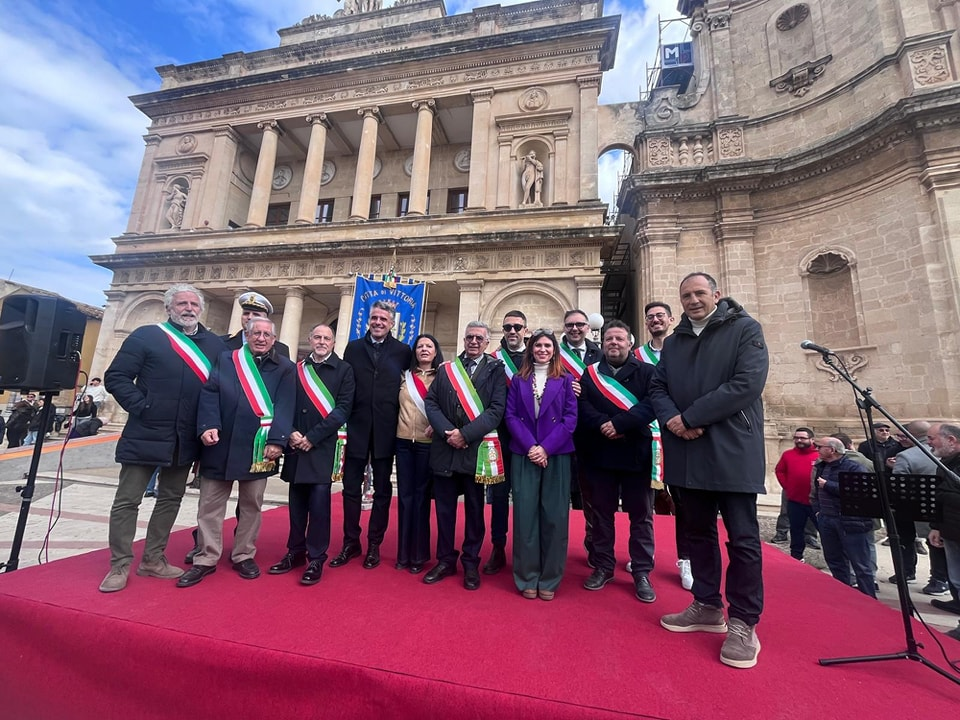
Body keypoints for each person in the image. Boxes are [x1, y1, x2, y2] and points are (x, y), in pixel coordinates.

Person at [652, 272, 769, 670]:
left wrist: (690, 417)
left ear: (716, 294)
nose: (693, 300)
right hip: (687, 452)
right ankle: (706, 604)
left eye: (700, 293)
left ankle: (743, 622)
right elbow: (658, 388)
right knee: (697, 534)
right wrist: (674, 421)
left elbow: (747, 383)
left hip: (731, 449)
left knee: (743, 540)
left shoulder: (745, 329)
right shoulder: (675, 341)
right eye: (686, 295)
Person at [100, 283, 227, 593]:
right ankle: (119, 565)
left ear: (201, 309)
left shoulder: (214, 345)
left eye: (194, 304)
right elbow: (116, 377)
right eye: (182, 304)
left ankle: (153, 559)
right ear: (169, 307)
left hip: (186, 438)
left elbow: (219, 390)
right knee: (128, 500)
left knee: (170, 498)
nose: (188, 309)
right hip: (146, 432)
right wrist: (142, 406)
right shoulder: (147, 336)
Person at [178, 317, 296, 587]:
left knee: (251, 505)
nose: (261, 338)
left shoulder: (285, 367)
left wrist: (277, 441)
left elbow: (285, 405)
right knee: (210, 505)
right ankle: (206, 557)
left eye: (267, 334)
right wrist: (208, 425)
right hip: (220, 443)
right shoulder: (227, 359)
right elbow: (210, 393)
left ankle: (243, 554)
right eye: (256, 333)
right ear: (247, 335)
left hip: (259, 448)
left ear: (274, 339)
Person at [267, 324, 355, 586]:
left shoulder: (344, 370)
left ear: (333, 343)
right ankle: (295, 551)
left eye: (327, 338)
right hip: (296, 445)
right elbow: (284, 404)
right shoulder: (297, 369)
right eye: (317, 337)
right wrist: (291, 432)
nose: (322, 341)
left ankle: (316, 557)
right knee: (296, 504)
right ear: (309, 340)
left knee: (318, 507)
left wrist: (312, 437)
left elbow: (343, 409)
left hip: (322, 446)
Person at [577, 320, 658, 602]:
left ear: (630, 343)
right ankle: (603, 565)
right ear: (603, 344)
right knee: (601, 515)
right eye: (609, 339)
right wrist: (604, 424)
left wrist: (620, 424)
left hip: (636, 454)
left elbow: (652, 404)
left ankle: (642, 571)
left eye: (619, 339)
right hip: (600, 453)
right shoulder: (590, 374)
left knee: (641, 516)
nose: (613, 343)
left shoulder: (647, 372)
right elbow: (583, 405)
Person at [423, 321, 506, 590]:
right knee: (444, 510)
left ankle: (471, 562)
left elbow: (496, 410)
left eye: (479, 338)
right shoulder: (447, 370)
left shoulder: (495, 370)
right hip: (445, 448)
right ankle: (445, 560)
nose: (474, 341)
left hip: (475, 450)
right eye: (470, 337)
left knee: (474, 510)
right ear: (464, 339)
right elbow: (431, 402)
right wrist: (448, 432)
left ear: (487, 342)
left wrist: (465, 434)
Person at [336, 300, 412, 570]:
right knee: (350, 488)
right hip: (356, 427)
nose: (378, 322)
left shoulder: (403, 351)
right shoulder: (353, 348)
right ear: (369, 320)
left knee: (382, 490)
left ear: (391, 323)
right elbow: (344, 385)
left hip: (386, 430)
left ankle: (374, 544)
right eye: (374, 318)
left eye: (383, 319)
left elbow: (411, 386)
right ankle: (350, 541)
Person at [505, 328, 577, 600]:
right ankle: (527, 576)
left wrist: (545, 448)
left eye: (547, 345)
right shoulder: (518, 379)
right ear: (531, 349)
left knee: (555, 517)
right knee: (525, 517)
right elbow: (511, 416)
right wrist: (531, 447)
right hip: (525, 453)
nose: (542, 350)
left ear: (554, 350)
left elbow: (570, 419)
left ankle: (550, 578)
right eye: (538, 345)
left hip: (556, 454)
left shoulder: (566, 380)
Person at [635, 301, 694, 591]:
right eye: (650, 317)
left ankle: (686, 559)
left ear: (671, 319)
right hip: (646, 436)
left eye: (660, 316)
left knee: (683, 502)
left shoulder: (686, 350)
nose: (655, 320)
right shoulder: (637, 356)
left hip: (680, 433)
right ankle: (643, 554)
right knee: (643, 502)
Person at [394, 334, 442, 574]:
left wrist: (438, 424)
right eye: (420, 346)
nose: (424, 349)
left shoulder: (442, 376)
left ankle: (419, 555)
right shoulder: (404, 377)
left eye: (429, 346)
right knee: (405, 498)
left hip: (427, 443)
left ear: (435, 351)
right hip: (403, 442)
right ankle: (403, 553)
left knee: (421, 499)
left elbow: (447, 406)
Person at [485, 309, 528, 575]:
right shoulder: (492, 360)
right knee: (499, 497)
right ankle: (498, 547)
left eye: (517, 327)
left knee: (526, 497)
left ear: (525, 330)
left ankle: (524, 550)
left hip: (527, 440)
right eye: (508, 327)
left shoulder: (535, 357)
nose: (512, 331)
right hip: (499, 439)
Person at [559, 309, 602, 567]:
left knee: (592, 495)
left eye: (579, 324)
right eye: (570, 325)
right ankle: (555, 548)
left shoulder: (600, 353)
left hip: (591, 433)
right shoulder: (553, 353)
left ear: (587, 327)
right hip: (559, 433)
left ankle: (594, 544)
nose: (575, 329)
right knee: (558, 493)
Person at [811, 437, 878, 598]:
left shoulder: (854, 467)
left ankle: (869, 598)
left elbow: (861, 491)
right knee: (834, 560)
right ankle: (843, 594)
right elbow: (815, 491)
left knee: (860, 563)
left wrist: (828, 485)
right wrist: (818, 510)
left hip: (850, 521)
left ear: (832, 450)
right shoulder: (821, 466)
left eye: (820, 447)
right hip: (827, 518)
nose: (817, 450)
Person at [892, 422, 950, 595]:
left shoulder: (906, 456)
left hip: (916, 507)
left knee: (910, 538)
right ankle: (940, 579)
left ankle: (908, 572)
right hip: (946, 505)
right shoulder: (948, 452)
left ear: (910, 434)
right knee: (938, 543)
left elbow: (898, 485)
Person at [928, 424, 960, 637]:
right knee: (957, 579)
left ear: (951, 440)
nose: (929, 443)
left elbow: (943, 495)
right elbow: (939, 500)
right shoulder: (945, 463)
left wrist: (943, 493)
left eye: (932, 438)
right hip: (950, 529)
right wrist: (936, 527)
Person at [774, 427, 820, 562]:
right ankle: (796, 556)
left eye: (803, 438)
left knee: (824, 529)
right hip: (795, 500)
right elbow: (780, 470)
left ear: (811, 440)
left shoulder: (819, 456)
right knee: (796, 529)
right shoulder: (788, 455)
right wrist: (787, 486)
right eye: (796, 438)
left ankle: (835, 560)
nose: (799, 440)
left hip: (815, 501)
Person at [222, 291, 291, 360]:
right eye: (246, 313)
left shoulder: (281, 350)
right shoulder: (222, 342)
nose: (249, 317)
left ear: (265, 320)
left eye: (256, 314)